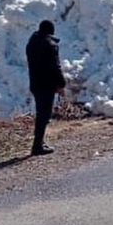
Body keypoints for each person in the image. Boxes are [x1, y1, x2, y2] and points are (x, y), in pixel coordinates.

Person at [25, 19, 66, 156]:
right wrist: (61, 83)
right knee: (44, 115)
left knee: (40, 114)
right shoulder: (50, 46)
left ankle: (38, 143)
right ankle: (37, 146)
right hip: (47, 85)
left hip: (35, 84)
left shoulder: (31, 43)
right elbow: (55, 67)